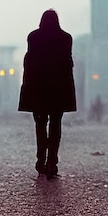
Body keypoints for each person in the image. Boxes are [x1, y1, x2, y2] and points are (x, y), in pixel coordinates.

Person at [18, 9, 77, 178]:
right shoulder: (66, 38)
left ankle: (40, 160)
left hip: (38, 88)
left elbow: (29, 64)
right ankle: (52, 161)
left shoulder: (33, 37)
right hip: (59, 88)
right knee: (56, 125)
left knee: (40, 124)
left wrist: (27, 89)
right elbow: (68, 65)